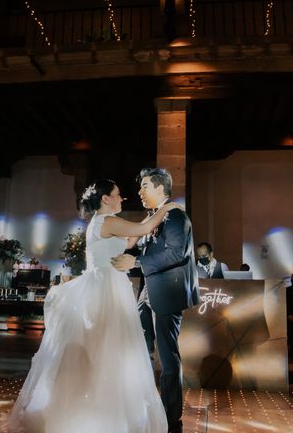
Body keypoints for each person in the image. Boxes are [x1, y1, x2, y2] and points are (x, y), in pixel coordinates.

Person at [0, 179, 180, 432]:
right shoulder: (108, 221)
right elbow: (146, 225)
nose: (122, 198)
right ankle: (101, 412)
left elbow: (127, 243)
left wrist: (140, 237)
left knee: (104, 348)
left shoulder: (100, 223)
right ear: (106, 199)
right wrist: (169, 208)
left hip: (105, 285)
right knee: (108, 348)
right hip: (107, 289)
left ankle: (97, 408)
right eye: (118, 195)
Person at [112, 168, 200, 433]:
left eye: (145, 186)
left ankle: (171, 415)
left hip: (168, 294)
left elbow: (176, 254)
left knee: (168, 355)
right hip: (148, 293)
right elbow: (140, 244)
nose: (140, 191)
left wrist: (137, 261)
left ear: (161, 189)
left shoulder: (176, 216)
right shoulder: (153, 216)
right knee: (140, 349)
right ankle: (145, 405)